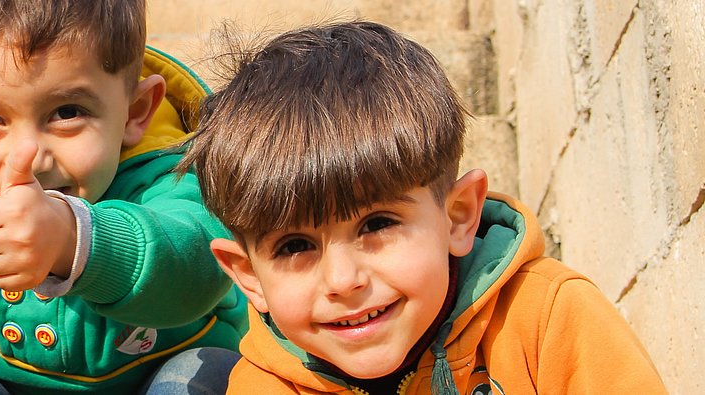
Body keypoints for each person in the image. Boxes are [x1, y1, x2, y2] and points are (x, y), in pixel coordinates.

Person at [181, 20, 668, 394]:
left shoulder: (548, 319)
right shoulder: (266, 383)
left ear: (457, 217)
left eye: (377, 224)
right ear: (248, 277)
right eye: (294, 246)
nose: (342, 280)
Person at [0, 1, 249, 393]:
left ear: (136, 111)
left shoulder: (178, 180)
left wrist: (74, 240)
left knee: (207, 372)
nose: (29, 157)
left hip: (156, 378)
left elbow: (194, 275)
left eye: (67, 112)